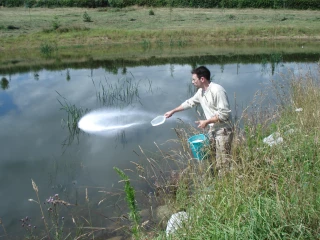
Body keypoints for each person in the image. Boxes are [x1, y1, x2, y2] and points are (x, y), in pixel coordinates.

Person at [164, 66, 233, 176]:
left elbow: (224, 114)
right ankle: (215, 186)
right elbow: (189, 102)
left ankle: (225, 186)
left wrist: (206, 121)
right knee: (212, 161)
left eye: (194, 80)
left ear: (202, 79)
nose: (192, 82)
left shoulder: (217, 90)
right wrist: (173, 111)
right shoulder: (201, 92)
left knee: (223, 163)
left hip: (223, 131)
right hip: (212, 131)